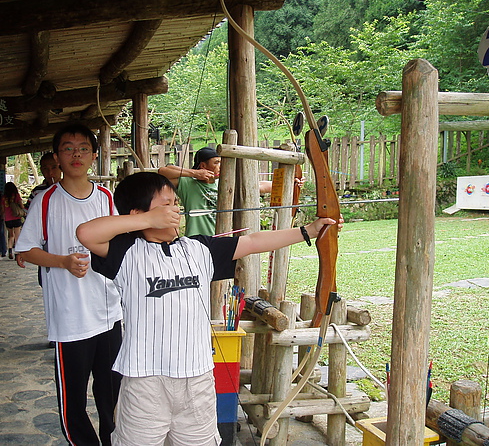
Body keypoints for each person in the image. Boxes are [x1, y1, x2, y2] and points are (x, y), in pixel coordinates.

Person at [76, 172, 338, 445]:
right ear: (137, 213)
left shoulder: (198, 248)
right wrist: (145, 221)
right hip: (145, 381)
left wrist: (309, 231)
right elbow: (85, 233)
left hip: (197, 378)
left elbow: (252, 242)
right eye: (165, 205)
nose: (176, 209)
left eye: (176, 202)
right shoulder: (126, 251)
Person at [14, 123, 122, 446]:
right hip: (70, 320)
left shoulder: (105, 198)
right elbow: (26, 249)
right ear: (57, 157)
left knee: (112, 399)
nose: (76, 154)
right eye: (68, 148)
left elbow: (120, 243)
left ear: (93, 155)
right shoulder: (45, 202)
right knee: (72, 405)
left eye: (83, 148)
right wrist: (61, 261)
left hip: (109, 316)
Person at [158, 147, 296, 236]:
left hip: (223, 236)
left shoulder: (226, 184)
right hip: (196, 239)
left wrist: (291, 183)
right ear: (203, 165)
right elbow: (163, 171)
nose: (221, 166)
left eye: (222, 162)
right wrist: (194, 173)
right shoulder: (188, 183)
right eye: (216, 162)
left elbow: (260, 185)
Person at [1, 182, 25, 260]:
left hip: (7, 219)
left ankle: (10, 250)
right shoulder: (16, 196)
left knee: (11, 236)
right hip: (16, 218)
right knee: (17, 236)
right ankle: (17, 253)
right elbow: (21, 205)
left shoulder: (3, 197)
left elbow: (2, 209)